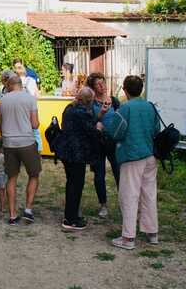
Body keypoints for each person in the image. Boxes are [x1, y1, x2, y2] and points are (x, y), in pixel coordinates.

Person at [102, 75, 160, 250]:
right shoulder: (150, 107)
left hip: (131, 156)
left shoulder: (125, 108)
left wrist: (104, 127)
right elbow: (156, 129)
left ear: (125, 90)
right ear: (141, 89)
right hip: (150, 155)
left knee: (129, 196)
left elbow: (115, 132)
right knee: (149, 194)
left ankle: (128, 238)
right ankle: (152, 233)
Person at [0, 73, 41, 225]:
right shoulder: (30, 98)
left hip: (9, 143)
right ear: (21, 85)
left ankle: (12, 214)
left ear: (9, 85)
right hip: (27, 141)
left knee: (12, 178)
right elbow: (35, 125)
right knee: (34, 175)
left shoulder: (2, 101)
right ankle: (28, 209)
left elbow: (0, 125)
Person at [58, 87, 100, 231]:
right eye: (91, 101)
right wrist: (98, 127)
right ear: (87, 101)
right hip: (77, 154)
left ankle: (71, 214)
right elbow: (90, 130)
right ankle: (71, 219)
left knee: (71, 184)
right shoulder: (82, 112)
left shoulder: (69, 108)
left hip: (66, 151)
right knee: (76, 185)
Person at [86, 72, 121, 218]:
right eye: (98, 84)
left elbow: (121, 120)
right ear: (92, 88)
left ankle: (124, 203)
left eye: (103, 83)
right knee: (99, 175)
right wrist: (100, 114)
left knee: (119, 173)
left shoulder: (114, 100)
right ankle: (103, 205)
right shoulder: (90, 103)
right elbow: (88, 123)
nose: (102, 86)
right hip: (98, 142)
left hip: (113, 141)